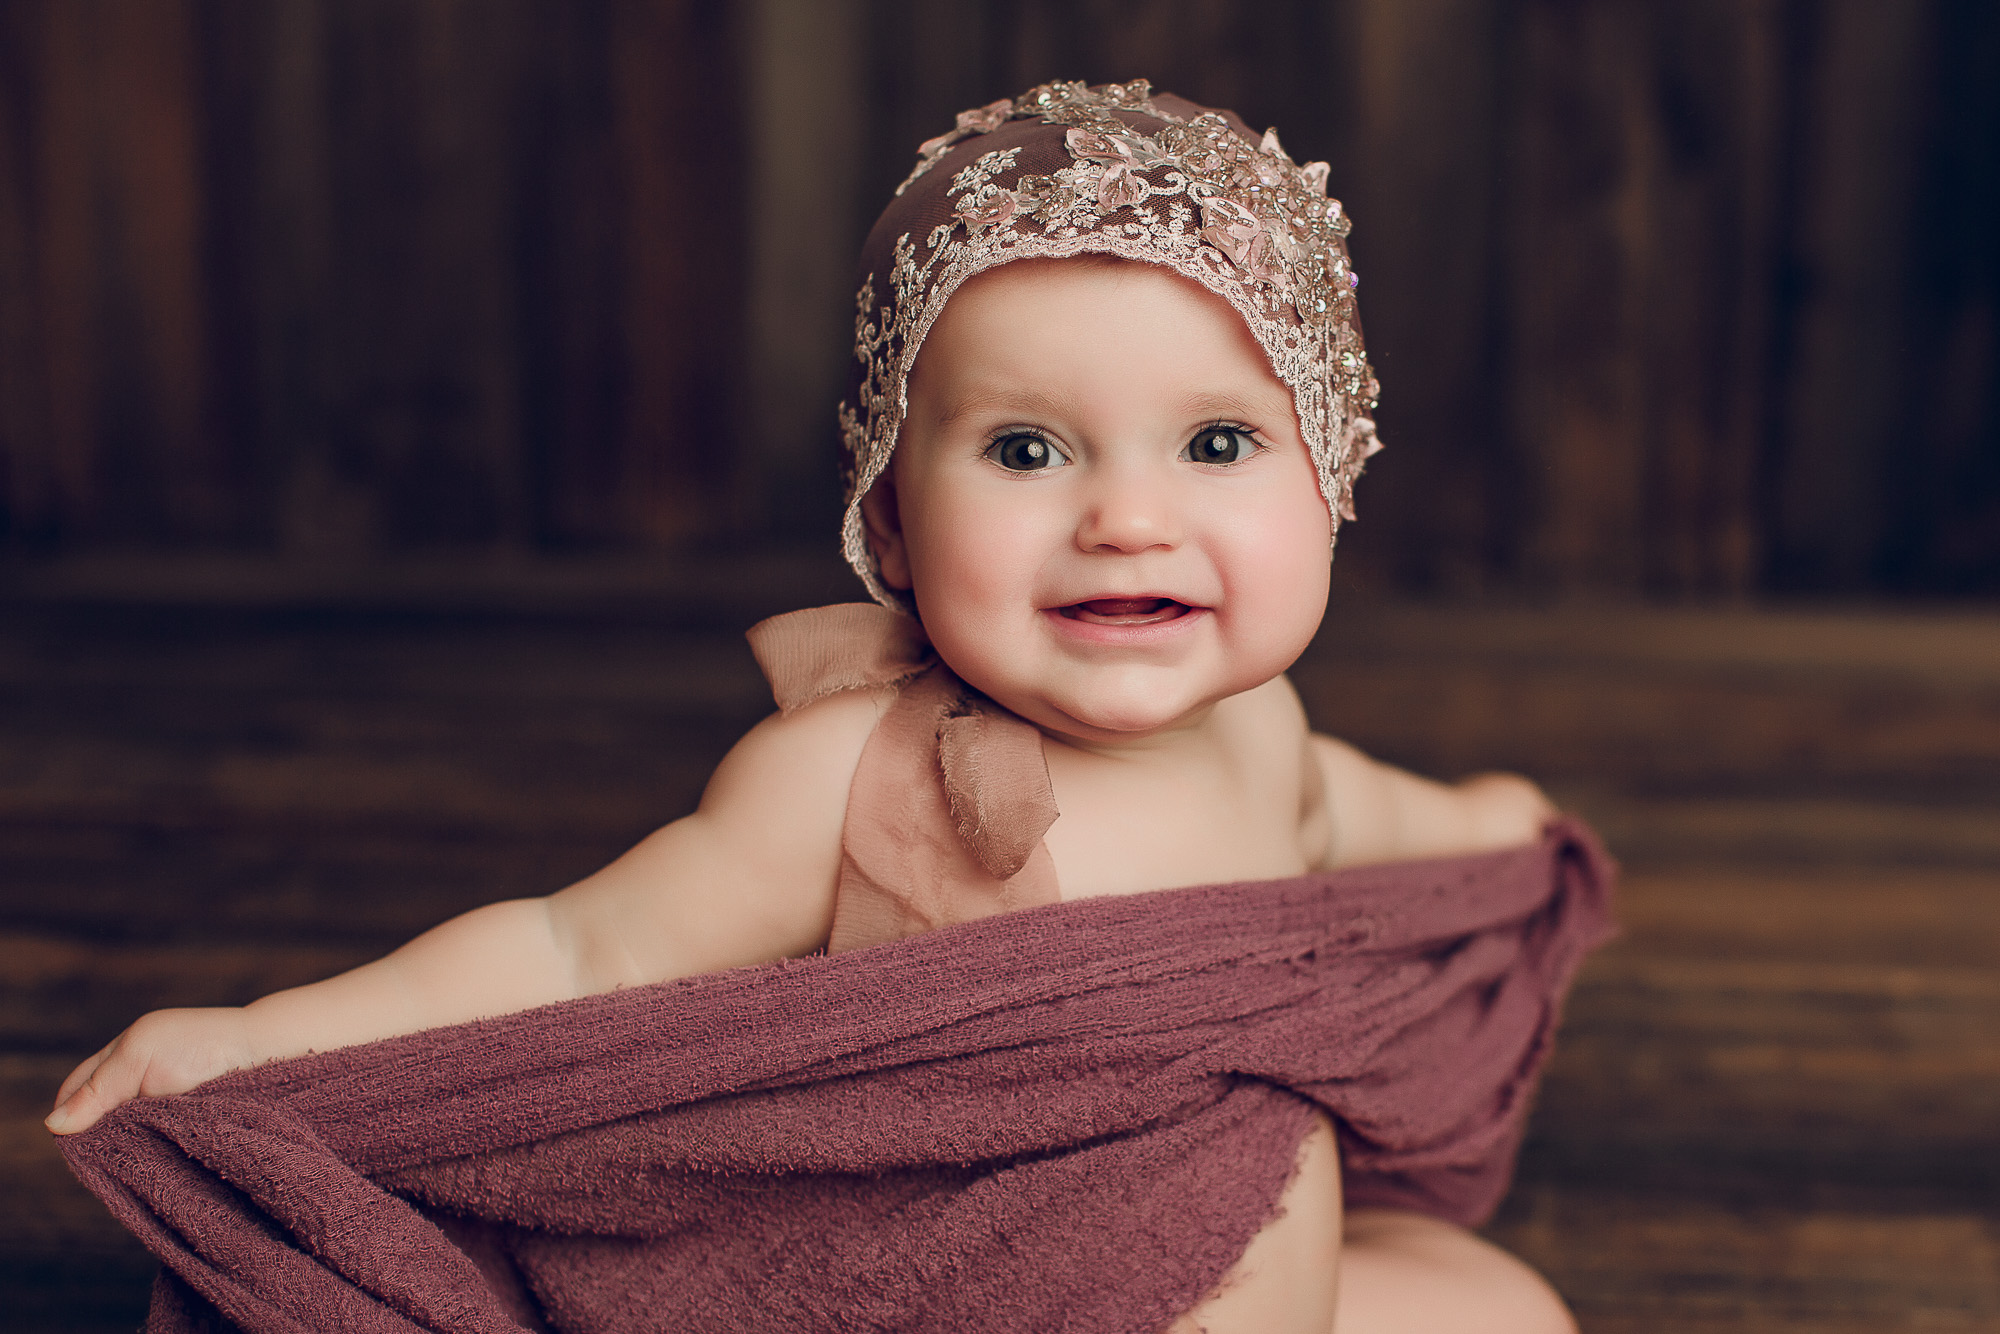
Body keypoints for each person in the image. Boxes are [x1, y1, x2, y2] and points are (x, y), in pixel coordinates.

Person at [51, 80, 1582, 1332]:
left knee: (1498, 1306)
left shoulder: (1263, 731)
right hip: (976, 1297)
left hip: (1267, 1289)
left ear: (1333, 487)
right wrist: (264, 1038)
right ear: (892, 521)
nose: (1128, 518)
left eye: (1218, 442)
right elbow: (586, 944)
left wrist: (1489, 823)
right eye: (1029, 452)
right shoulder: (852, 774)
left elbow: (1362, 807)